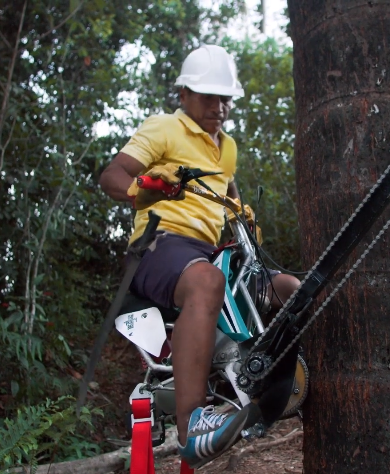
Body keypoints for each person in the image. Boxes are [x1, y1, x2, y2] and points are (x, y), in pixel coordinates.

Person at [98, 44, 300, 468]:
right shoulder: (164, 127)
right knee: (208, 280)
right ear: (184, 94)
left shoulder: (227, 148)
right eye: (208, 96)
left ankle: (280, 385)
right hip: (161, 245)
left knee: (289, 289)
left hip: (210, 250)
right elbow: (113, 176)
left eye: (225, 97)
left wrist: (244, 219)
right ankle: (192, 425)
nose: (219, 106)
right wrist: (144, 190)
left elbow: (229, 195)